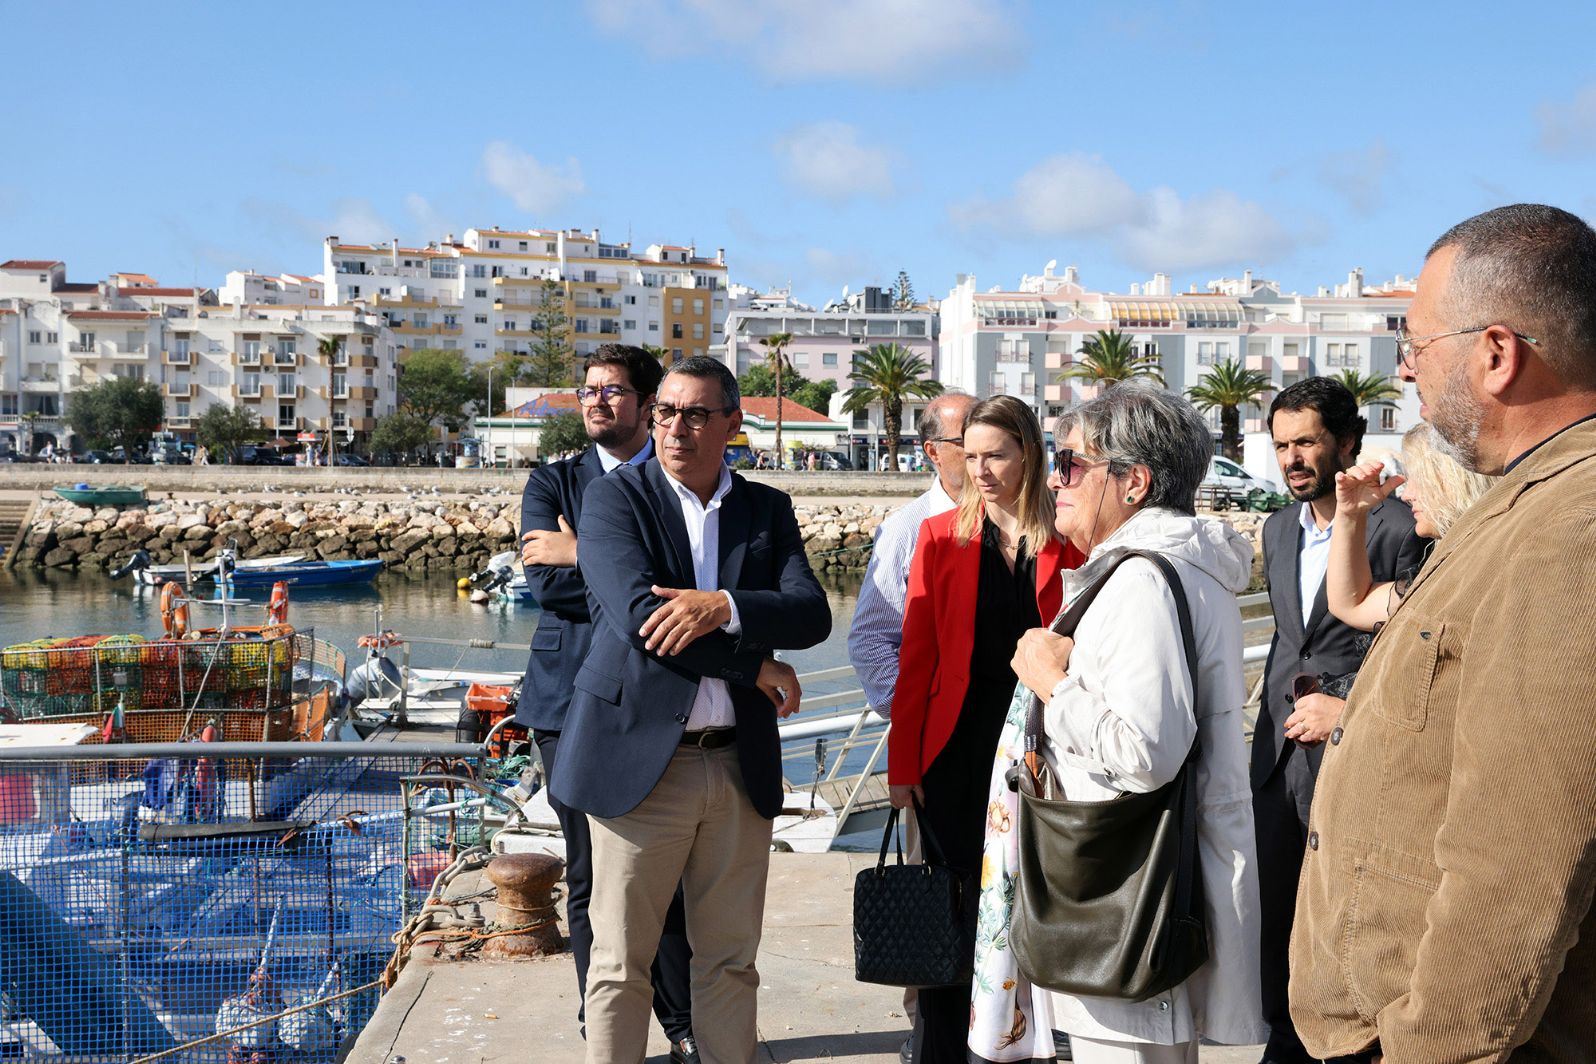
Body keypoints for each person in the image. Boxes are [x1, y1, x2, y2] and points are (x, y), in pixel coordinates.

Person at [1291, 204, 1596, 1062]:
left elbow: (1518, 861)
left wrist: (1426, 1047)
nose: (1406, 373)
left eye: (1417, 346)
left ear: (1497, 354)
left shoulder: (1570, 533)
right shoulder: (1524, 510)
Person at [973, 380, 1267, 1064]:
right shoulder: (1181, 567)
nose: (1057, 479)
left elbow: (1145, 751)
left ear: (1133, 482)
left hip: (1120, 892)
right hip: (1146, 885)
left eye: (1071, 462)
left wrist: (1053, 681)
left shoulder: (1139, 581)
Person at [551, 355, 831, 1064]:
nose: (676, 428)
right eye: (666, 412)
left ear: (732, 423)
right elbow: (641, 623)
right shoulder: (616, 500)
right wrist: (754, 662)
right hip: (639, 766)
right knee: (620, 967)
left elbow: (810, 613)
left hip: (738, 766)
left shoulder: (766, 508)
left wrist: (724, 605)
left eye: (696, 414)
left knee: (730, 962)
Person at [511, 345, 698, 1059]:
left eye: (614, 390)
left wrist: (584, 551)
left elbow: (684, 581)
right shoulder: (552, 481)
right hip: (566, 707)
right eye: (588, 390)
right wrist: (623, 569)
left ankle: (682, 1026)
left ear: (648, 403)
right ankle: (604, 1023)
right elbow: (548, 588)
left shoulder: (675, 481)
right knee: (590, 868)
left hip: (656, 697)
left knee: (670, 870)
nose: (596, 402)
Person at [887, 395, 1078, 1064]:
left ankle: (1022, 1048)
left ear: (1028, 452)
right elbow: (917, 663)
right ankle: (938, 1051)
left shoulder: (1070, 543)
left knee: (1034, 908)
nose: (981, 469)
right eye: (970, 456)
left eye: (995, 454)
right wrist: (902, 767)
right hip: (956, 750)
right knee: (954, 912)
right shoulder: (940, 539)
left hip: (1041, 750)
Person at [1250, 377, 1423, 1064]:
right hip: (1276, 758)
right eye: (1282, 445)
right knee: (1278, 917)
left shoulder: (1402, 527)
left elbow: (1407, 646)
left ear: (1347, 442)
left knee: (1344, 919)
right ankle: (1285, 1041)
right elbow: (1288, 643)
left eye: (1307, 443)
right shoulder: (1274, 528)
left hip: (1351, 751)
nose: (1292, 459)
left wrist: (1343, 703)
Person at [845, 389, 975, 1064]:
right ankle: (929, 1036)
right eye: (967, 439)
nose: (984, 452)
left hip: (1000, 757)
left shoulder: (1020, 521)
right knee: (939, 906)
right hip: (934, 755)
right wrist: (917, 724)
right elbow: (869, 639)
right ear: (934, 451)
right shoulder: (909, 528)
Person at [1325, 423, 1496, 630]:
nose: (1406, 495)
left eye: (1419, 480)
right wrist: (1351, 512)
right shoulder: (1445, 573)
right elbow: (1350, 605)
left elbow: (1351, 605)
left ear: (1455, 481)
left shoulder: (1494, 571)